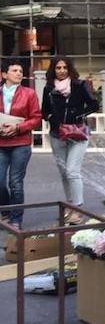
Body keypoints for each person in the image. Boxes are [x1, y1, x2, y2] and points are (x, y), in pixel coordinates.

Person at [41, 56, 100, 223]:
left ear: (70, 69)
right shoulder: (49, 88)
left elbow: (94, 105)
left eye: (64, 68)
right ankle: (70, 204)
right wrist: (52, 118)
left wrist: (77, 115)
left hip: (78, 133)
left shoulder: (79, 85)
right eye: (58, 68)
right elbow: (44, 111)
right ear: (53, 70)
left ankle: (77, 209)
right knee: (64, 172)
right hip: (57, 134)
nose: (61, 71)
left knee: (72, 171)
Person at [0, 60, 42, 227]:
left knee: (15, 183)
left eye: (20, 70)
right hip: (0, 143)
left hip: (21, 143)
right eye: (14, 70)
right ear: (4, 75)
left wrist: (18, 127)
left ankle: (16, 219)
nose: (19, 73)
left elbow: (36, 118)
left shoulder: (29, 93)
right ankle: (4, 211)